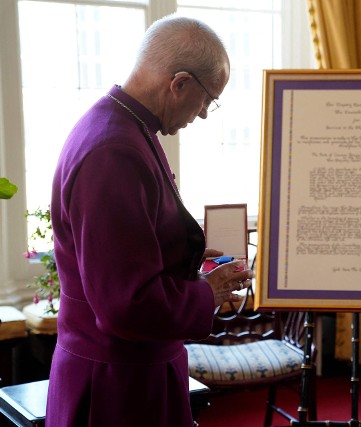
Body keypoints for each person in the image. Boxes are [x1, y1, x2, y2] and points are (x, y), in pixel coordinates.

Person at [46, 15, 252, 426]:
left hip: (129, 370)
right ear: (179, 83)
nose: (205, 114)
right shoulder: (112, 150)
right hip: (118, 385)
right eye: (208, 99)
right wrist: (206, 293)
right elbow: (126, 305)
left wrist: (183, 257)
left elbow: (131, 248)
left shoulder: (125, 125)